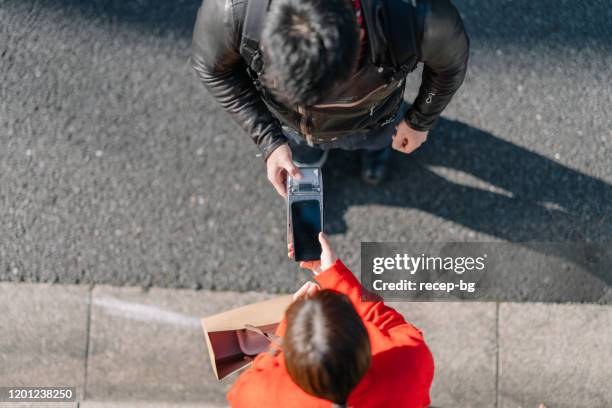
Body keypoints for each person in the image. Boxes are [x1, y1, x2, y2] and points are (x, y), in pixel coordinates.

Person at [191, 0, 469, 193]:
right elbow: (212, 69)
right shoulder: (232, 11)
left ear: (359, 35)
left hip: (378, 118)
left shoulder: (421, 17)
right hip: (294, 129)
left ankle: (377, 150)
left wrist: (420, 121)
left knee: (382, 139)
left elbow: (450, 66)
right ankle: (311, 157)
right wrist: (270, 140)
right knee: (302, 151)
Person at [226, 233, 434, 407]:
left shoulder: (258, 397)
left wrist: (285, 332)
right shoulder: (409, 365)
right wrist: (332, 274)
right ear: (364, 338)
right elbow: (386, 322)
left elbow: (255, 374)